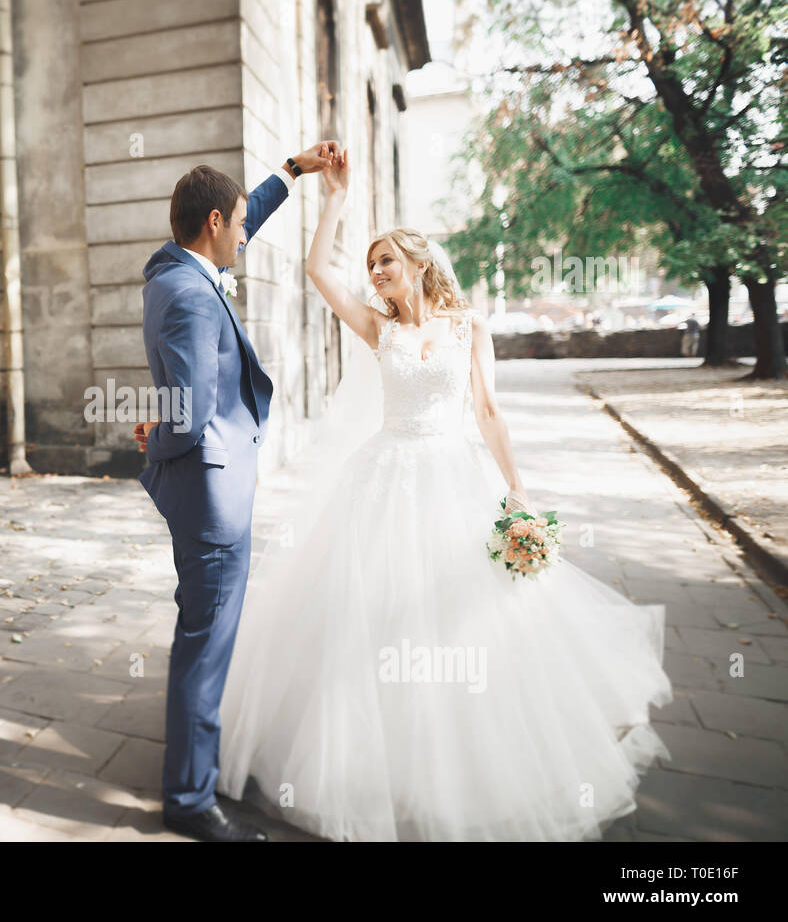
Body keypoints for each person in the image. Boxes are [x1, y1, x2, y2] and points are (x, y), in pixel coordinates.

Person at [214, 149, 674, 841]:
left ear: (419, 263)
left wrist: (517, 491)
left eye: (386, 261)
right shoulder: (380, 328)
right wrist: (334, 196)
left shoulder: (469, 326)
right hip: (383, 478)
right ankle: (371, 770)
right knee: (370, 618)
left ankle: (476, 765)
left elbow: (488, 412)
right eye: (371, 265)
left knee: (472, 618)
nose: (376, 273)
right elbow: (318, 272)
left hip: (456, 479)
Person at [133, 144, 340, 841]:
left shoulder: (174, 271)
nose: (247, 235)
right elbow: (192, 415)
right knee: (205, 647)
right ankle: (190, 801)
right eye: (240, 223)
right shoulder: (193, 294)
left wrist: (293, 171)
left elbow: (181, 401)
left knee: (202, 637)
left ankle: (191, 776)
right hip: (213, 500)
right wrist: (159, 438)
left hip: (209, 488)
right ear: (214, 223)